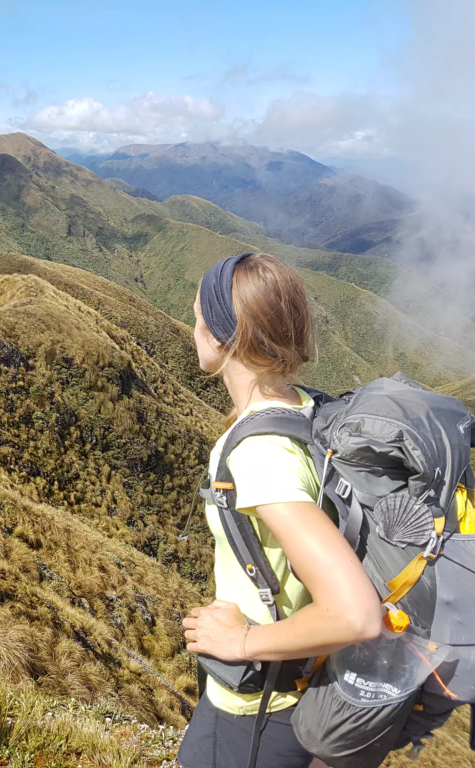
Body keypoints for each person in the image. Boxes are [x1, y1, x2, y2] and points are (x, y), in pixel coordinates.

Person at [177, 252, 384, 768]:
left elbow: (356, 613)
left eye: (200, 313)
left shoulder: (260, 455)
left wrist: (243, 640)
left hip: (261, 709)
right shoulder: (307, 408)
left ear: (225, 336)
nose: (193, 324)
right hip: (296, 691)